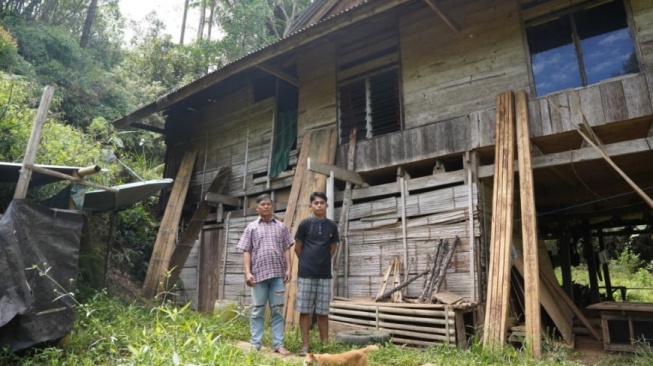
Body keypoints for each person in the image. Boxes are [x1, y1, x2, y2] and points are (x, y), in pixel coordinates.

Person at [237, 194, 293, 355]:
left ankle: (278, 345)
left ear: (272, 206)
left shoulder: (281, 227)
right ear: (257, 208)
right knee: (257, 310)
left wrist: (289, 269)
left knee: (277, 311)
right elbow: (246, 251)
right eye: (262, 204)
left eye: (268, 204)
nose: (266, 206)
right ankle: (255, 344)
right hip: (258, 276)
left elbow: (286, 249)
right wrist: (247, 272)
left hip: (277, 275)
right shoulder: (251, 227)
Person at [294, 191, 340, 356]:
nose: (319, 205)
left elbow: (333, 247)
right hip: (306, 274)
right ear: (311, 206)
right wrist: (307, 261)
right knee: (305, 310)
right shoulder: (305, 224)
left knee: (323, 311)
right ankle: (305, 346)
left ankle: (324, 345)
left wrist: (323, 261)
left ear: (326, 205)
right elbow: (297, 248)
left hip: (324, 275)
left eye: (322, 203)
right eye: (316, 203)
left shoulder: (331, 226)